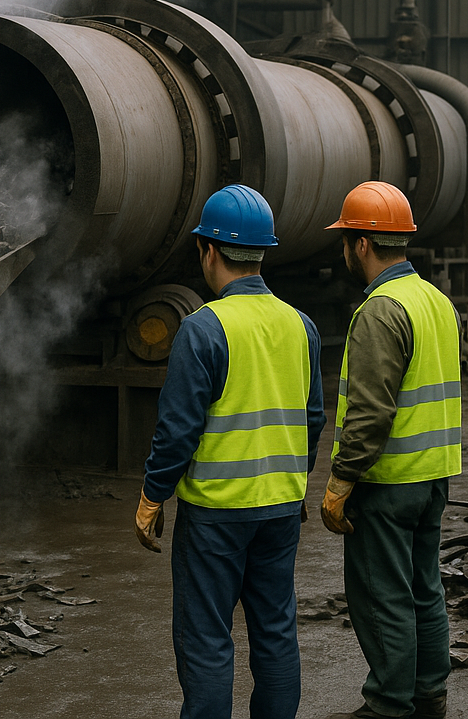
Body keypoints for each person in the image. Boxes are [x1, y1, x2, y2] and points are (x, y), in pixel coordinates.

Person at [134, 184, 325, 719]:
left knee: (207, 639)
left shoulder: (202, 329)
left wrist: (152, 496)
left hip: (215, 515)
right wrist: (294, 483)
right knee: (275, 631)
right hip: (280, 510)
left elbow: (178, 430)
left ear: (208, 250)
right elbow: (312, 419)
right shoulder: (301, 325)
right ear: (262, 252)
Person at [320, 181, 462, 719]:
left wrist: (341, 481)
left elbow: (370, 411)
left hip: (387, 482)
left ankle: (388, 705)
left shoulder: (381, 310)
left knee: (383, 596)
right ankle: (428, 695)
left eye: (346, 239)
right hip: (433, 475)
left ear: (361, 243)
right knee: (424, 589)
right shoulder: (437, 301)